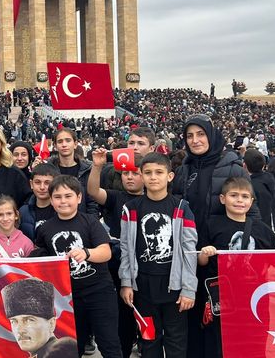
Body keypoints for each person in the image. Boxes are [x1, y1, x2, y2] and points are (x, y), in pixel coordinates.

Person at [170, 114, 253, 357]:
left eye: (200, 134)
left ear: (212, 135)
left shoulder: (232, 164)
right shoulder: (184, 168)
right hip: (193, 254)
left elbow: (251, 211)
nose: (195, 141)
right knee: (194, 319)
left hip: (223, 255)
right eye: (189, 136)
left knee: (224, 322)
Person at [119, 152, 198, 358]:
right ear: (141, 176)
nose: (153, 177)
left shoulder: (182, 208)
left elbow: (189, 250)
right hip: (143, 288)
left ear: (169, 176)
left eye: (159, 172)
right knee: (148, 340)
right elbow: (126, 249)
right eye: (148, 173)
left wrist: (189, 288)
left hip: (175, 288)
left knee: (176, 342)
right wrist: (126, 281)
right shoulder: (131, 209)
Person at [33, 175, 122, 357]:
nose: (63, 201)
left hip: (99, 293)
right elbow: (39, 259)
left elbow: (106, 252)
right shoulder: (45, 229)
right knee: (72, 347)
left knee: (109, 344)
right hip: (66, 299)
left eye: (68, 196)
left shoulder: (90, 221)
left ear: (79, 198)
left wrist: (87, 253)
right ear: (51, 200)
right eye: (57, 197)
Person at [198, 177, 275, 357]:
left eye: (244, 196)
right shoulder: (211, 225)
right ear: (222, 198)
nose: (239, 200)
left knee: (255, 340)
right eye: (233, 195)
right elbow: (200, 263)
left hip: (255, 298)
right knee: (220, 342)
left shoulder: (263, 230)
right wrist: (204, 253)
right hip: (222, 298)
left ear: (252, 201)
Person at [87, 148, 144, 358]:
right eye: (126, 173)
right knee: (124, 318)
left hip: (145, 266)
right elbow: (93, 191)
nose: (129, 177)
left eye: (135, 173)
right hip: (120, 266)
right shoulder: (117, 197)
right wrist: (97, 166)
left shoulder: (154, 200)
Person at [1, 278, 78, 358]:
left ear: (51, 324)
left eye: (29, 320)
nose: (20, 330)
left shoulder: (64, 352)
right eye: (14, 321)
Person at [43, 128, 97, 216]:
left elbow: (92, 202)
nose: (64, 145)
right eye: (60, 142)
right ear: (55, 146)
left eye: (68, 141)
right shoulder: (48, 170)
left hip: (83, 222)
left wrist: (92, 224)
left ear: (75, 144)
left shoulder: (88, 170)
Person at [19, 163, 60, 241]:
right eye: (37, 182)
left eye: (47, 183)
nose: (42, 187)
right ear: (31, 184)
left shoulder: (61, 209)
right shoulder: (23, 212)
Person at [243, 149, 274, 229]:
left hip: (254, 225)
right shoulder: (269, 178)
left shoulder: (249, 184)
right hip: (267, 222)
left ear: (244, 165)